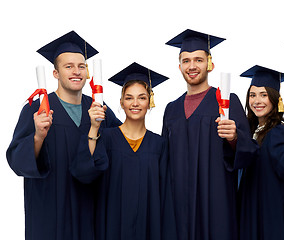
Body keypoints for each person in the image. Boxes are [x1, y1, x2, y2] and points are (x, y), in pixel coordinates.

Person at [6, 31, 121, 240]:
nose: (76, 71)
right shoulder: (37, 109)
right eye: (68, 66)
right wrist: (39, 136)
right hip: (49, 213)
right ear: (56, 74)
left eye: (81, 66)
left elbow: (122, 145)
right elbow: (16, 160)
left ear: (88, 72)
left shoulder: (98, 109)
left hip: (90, 210)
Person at [163, 29, 258, 240]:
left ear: (209, 63)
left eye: (198, 59)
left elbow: (250, 153)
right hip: (179, 205)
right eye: (186, 61)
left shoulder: (227, 101)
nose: (192, 66)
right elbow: (164, 159)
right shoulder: (171, 109)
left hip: (217, 203)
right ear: (179, 67)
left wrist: (234, 138)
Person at [71, 62, 176, 240]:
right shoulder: (106, 137)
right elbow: (84, 172)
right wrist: (94, 128)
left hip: (148, 228)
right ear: (121, 102)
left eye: (142, 97)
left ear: (149, 102)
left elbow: (165, 198)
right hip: (111, 227)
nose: (135, 103)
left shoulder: (160, 145)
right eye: (129, 98)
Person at [238, 65, 284, 240]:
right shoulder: (249, 131)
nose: (257, 101)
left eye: (264, 95)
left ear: (275, 100)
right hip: (250, 207)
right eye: (252, 95)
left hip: (272, 210)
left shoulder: (278, 131)